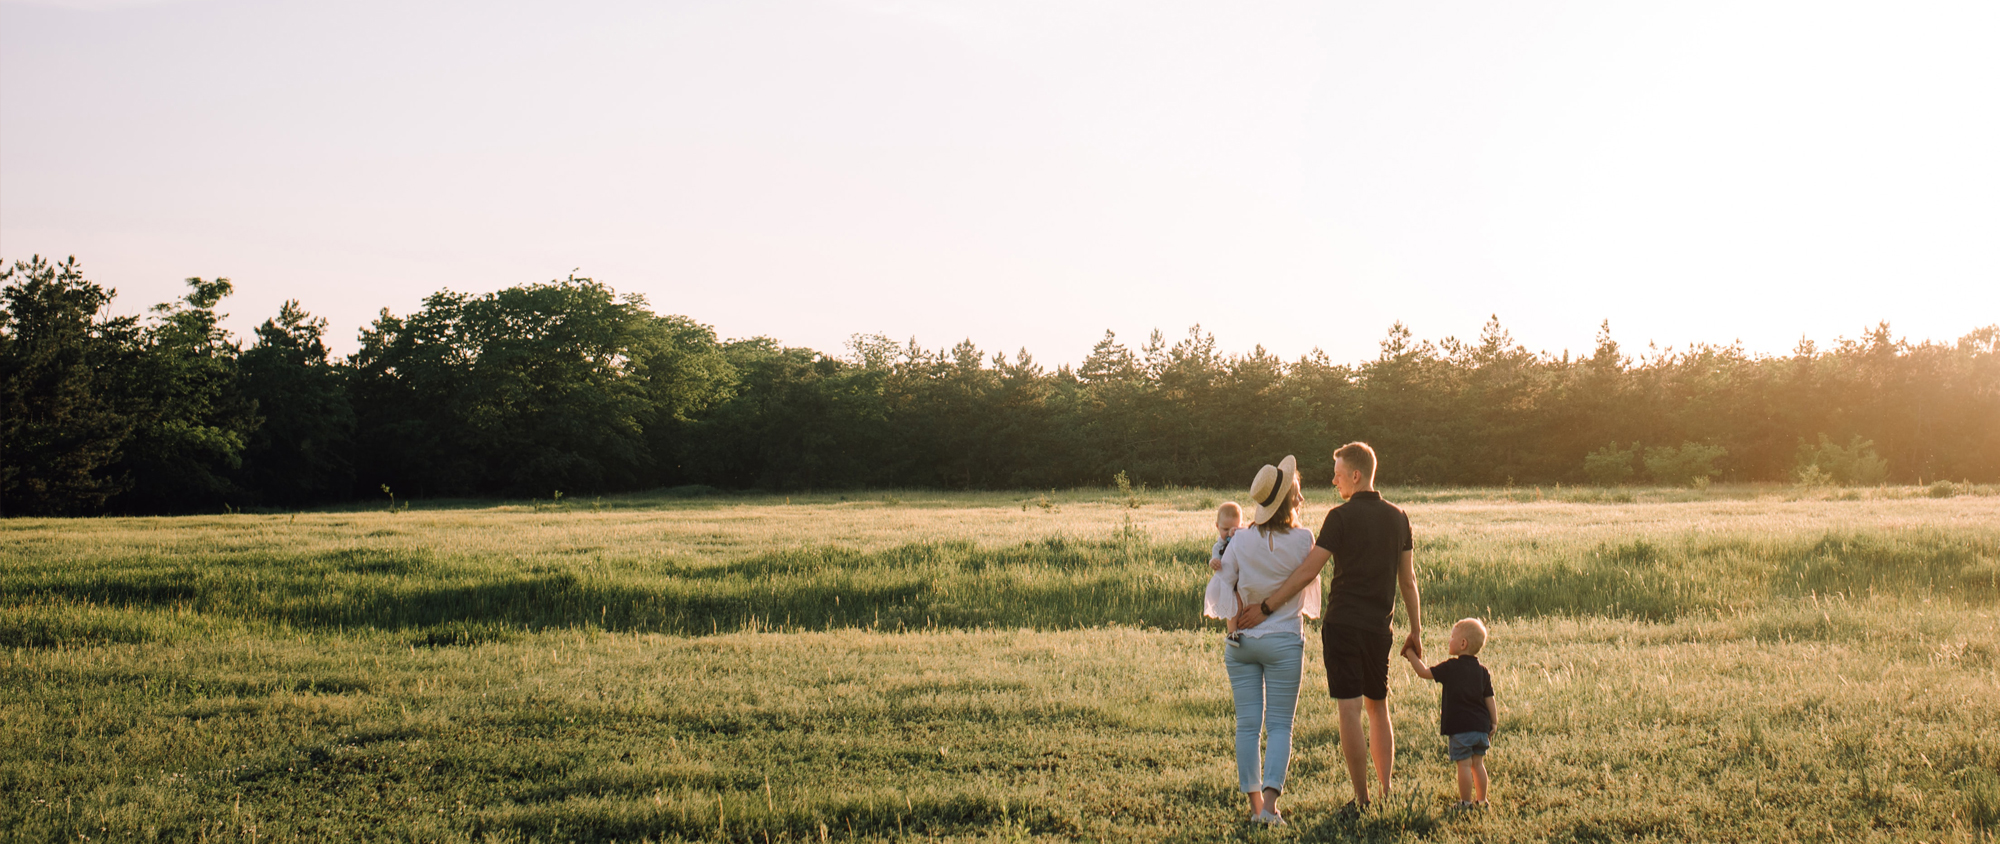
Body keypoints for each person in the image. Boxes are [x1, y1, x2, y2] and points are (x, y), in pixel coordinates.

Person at [1234, 441, 1420, 815]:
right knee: (1378, 707)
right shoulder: (1399, 517)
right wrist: (1415, 629)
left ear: (1355, 474)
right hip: (1378, 627)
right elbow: (1408, 579)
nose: (1334, 480)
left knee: (1350, 709)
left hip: (1342, 625)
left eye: (1338, 473)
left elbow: (1307, 571)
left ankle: (1362, 800)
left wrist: (1267, 606)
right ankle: (1385, 793)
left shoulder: (1339, 517)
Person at [1216, 456, 1321, 826]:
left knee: (1246, 725)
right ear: (1291, 499)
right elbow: (1307, 590)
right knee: (1279, 726)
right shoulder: (1305, 539)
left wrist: (1235, 621)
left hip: (1241, 642)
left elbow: (1221, 587)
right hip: (1284, 642)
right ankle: (1271, 808)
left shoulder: (1240, 540)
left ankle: (1254, 806)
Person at [1401, 618, 1497, 810]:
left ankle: (1465, 803)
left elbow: (1424, 672)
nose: (1449, 640)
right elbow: (1489, 698)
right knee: (1478, 764)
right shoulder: (1483, 672)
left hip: (1461, 728)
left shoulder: (1451, 667)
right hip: (1480, 728)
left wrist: (1410, 653)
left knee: (1463, 765)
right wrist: (1494, 722)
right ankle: (1482, 801)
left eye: (1452, 637)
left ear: (1463, 644)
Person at [1202, 501, 1247, 645]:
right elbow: (1215, 557)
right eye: (1225, 529)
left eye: (1234, 528)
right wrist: (1213, 562)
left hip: (1243, 579)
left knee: (1245, 604)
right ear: (1217, 526)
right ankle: (1232, 633)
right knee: (1233, 606)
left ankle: (1245, 629)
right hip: (1229, 582)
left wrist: (1239, 533)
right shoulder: (1219, 546)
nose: (1229, 533)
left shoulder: (1242, 539)